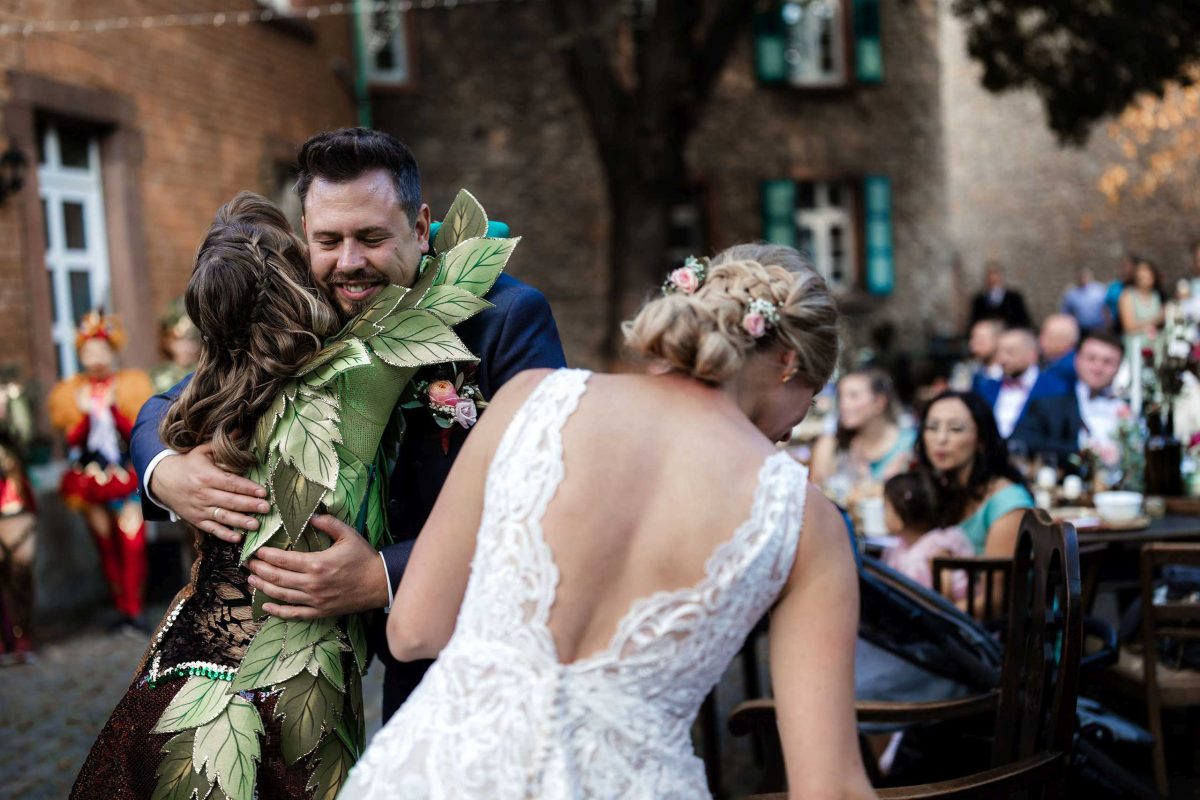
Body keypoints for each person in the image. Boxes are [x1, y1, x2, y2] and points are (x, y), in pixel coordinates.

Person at [341, 247, 874, 799]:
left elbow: (413, 632)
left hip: (433, 775)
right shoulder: (803, 516)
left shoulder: (530, 399)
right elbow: (830, 787)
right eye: (810, 400)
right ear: (790, 363)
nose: (790, 431)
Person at [73, 189, 519, 798]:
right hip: (281, 695)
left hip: (177, 668)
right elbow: (472, 251)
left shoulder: (203, 397)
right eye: (323, 244)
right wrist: (414, 231)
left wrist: (162, 466)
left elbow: (156, 407)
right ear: (297, 284)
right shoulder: (356, 376)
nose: (342, 262)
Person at [129, 128, 566, 722]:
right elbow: (172, 402)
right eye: (328, 240)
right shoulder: (310, 306)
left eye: (371, 238)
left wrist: (384, 575)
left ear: (419, 227)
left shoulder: (507, 317)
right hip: (390, 670)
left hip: (495, 648)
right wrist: (165, 471)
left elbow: (550, 503)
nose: (349, 263)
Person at [48, 312, 154, 632]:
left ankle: (135, 609)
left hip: (124, 472)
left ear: (113, 352)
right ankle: (121, 606)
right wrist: (83, 413)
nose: (95, 359)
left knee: (133, 542)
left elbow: (136, 428)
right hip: (91, 476)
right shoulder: (71, 392)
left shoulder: (130, 386)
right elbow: (72, 438)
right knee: (105, 544)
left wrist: (110, 407)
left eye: (101, 352)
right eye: (88, 354)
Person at [916, 390, 1033, 557]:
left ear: (981, 440)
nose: (941, 438)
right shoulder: (940, 488)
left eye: (955, 429)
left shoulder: (1008, 502)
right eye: (932, 427)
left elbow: (997, 583)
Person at [1012, 331, 1126, 466]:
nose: (1098, 367)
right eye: (1091, 358)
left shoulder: (1130, 408)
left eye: (1107, 362)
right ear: (1077, 360)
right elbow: (1021, 440)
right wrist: (1083, 452)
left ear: (1118, 367)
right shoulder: (1051, 404)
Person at [810, 367, 915, 505]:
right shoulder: (832, 446)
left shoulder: (910, 445)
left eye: (853, 396)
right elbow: (816, 498)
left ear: (879, 402)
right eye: (841, 396)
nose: (843, 405)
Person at [880, 471, 974, 599]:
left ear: (899, 516)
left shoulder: (936, 546)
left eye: (885, 507)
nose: (882, 514)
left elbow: (944, 595)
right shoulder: (901, 545)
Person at [975, 327, 1069, 439]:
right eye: (998, 352)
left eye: (1010, 352)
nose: (1002, 359)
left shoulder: (1054, 389)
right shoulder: (987, 388)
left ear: (1032, 355)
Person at [0, 376, 36, 664]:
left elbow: (24, 437)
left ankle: (23, 636)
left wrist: (11, 404)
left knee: (20, 572)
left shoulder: (11, 396)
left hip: (12, 499)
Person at [149, 299, 201, 393]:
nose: (190, 348)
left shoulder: (207, 375)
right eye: (180, 339)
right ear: (167, 341)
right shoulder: (155, 379)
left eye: (193, 339)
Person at [968, 261, 1031, 330]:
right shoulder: (979, 300)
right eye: (990, 274)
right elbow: (973, 324)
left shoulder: (1014, 298)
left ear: (1001, 275)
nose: (993, 277)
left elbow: (1024, 321)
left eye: (996, 273)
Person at [1118, 257, 1165, 348]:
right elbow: (1129, 328)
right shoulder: (1127, 295)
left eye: (1148, 276)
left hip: (1154, 345)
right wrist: (1156, 319)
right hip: (1135, 346)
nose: (1144, 278)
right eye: (1142, 276)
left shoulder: (1156, 295)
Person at [1060, 267, 1110, 333]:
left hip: (1098, 327)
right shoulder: (1071, 293)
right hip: (1080, 328)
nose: (1084, 279)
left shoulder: (1100, 290)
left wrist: (1108, 324)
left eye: (1085, 276)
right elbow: (1065, 312)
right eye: (1082, 277)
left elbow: (1107, 308)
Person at [1039, 312, 1080, 384]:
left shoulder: (1066, 371)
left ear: (1063, 341)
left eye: (1046, 336)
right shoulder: (1056, 362)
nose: (1040, 339)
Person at [1104, 253, 1135, 335]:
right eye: (1124, 266)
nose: (1126, 269)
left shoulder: (1136, 288)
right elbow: (1106, 307)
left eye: (1129, 266)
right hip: (1116, 327)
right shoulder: (1114, 286)